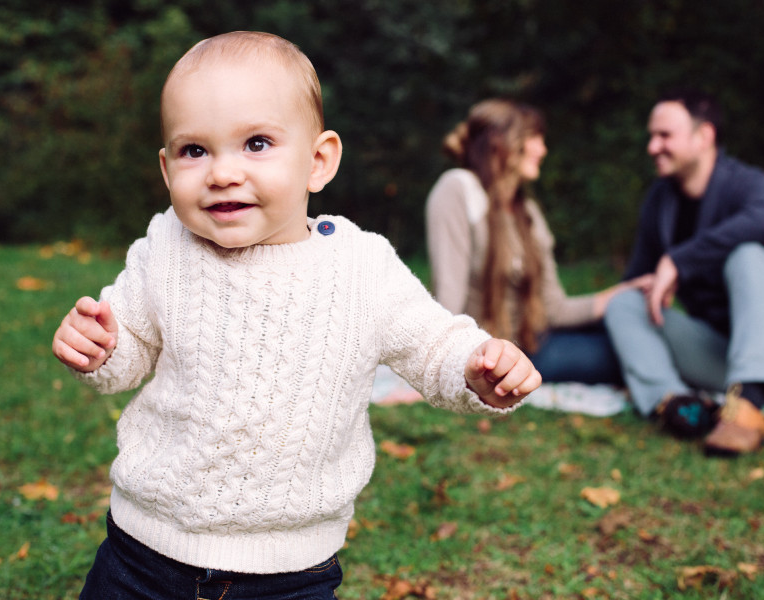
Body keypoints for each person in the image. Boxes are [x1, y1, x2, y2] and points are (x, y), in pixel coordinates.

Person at [51, 32, 541, 599]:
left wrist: (476, 369)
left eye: (256, 143)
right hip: (145, 552)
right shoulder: (166, 247)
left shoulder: (361, 267)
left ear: (318, 160)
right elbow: (130, 341)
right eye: (194, 151)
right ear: (166, 171)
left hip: (290, 572)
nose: (222, 173)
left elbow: (433, 346)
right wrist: (102, 348)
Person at [604, 89, 764, 456]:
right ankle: (677, 407)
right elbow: (636, 277)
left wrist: (678, 261)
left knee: (746, 255)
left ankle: (748, 401)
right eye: (651, 136)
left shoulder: (749, 184)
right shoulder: (659, 200)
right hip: (725, 353)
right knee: (625, 303)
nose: (652, 146)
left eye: (664, 135)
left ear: (705, 137)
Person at [425, 99, 648, 385]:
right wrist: (434, 375)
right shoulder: (458, 189)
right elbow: (448, 297)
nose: (542, 150)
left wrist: (624, 294)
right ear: (501, 142)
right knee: (629, 350)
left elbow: (555, 309)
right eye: (535, 138)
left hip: (537, 339)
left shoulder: (526, 212)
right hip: (499, 357)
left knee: (634, 328)